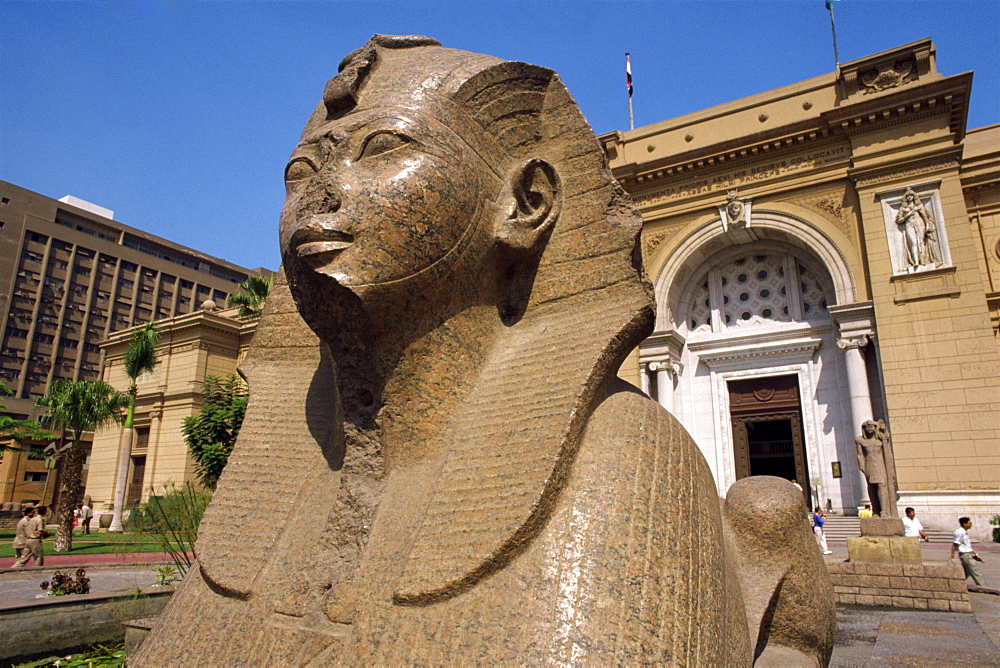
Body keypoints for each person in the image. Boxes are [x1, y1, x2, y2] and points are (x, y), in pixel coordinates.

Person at [134, 35, 835, 666]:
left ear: (526, 203)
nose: (321, 192)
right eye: (300, 171)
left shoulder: (621, 451)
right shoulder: (291, 457)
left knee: (767, 508)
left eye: (383, 147)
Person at [855, 419, 898, 518]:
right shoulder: (860, 440)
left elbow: (887, 452)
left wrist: (883, 432)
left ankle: (884, 511)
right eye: (867, 427)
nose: (869, 429)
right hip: (869, 465)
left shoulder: (880, 439)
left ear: (875, 428)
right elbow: (860, 454)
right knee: (872, 487)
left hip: (880, 465)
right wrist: (862, 466)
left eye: (871, 427)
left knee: (881, 485)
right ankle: (876, 510)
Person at [894, 187, 939, 268]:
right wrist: (907, 216)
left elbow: (925, 216)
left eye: (911, 195)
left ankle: (923, 259)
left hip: (919, 223)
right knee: (913, 242)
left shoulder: (919, 206)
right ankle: (915, 261)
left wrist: (927, 224)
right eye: (907, 196)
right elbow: (899, 220)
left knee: (921, 241)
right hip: (909, 224)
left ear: (914, 196)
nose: (909, 197)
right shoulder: (903, 208)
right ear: (905, 198)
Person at [951, 517, 985, 586]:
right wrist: (952, 555)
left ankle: (956, 585)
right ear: (964, 524)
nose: (971, 525)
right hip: (965, 555)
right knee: (975, 571)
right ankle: (982, 587)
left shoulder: (964, 532)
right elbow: (955, 544)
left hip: (967, 554)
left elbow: (967, 546)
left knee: (966, 572)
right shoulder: (960, 532)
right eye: (969, 523)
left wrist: (976, 554)